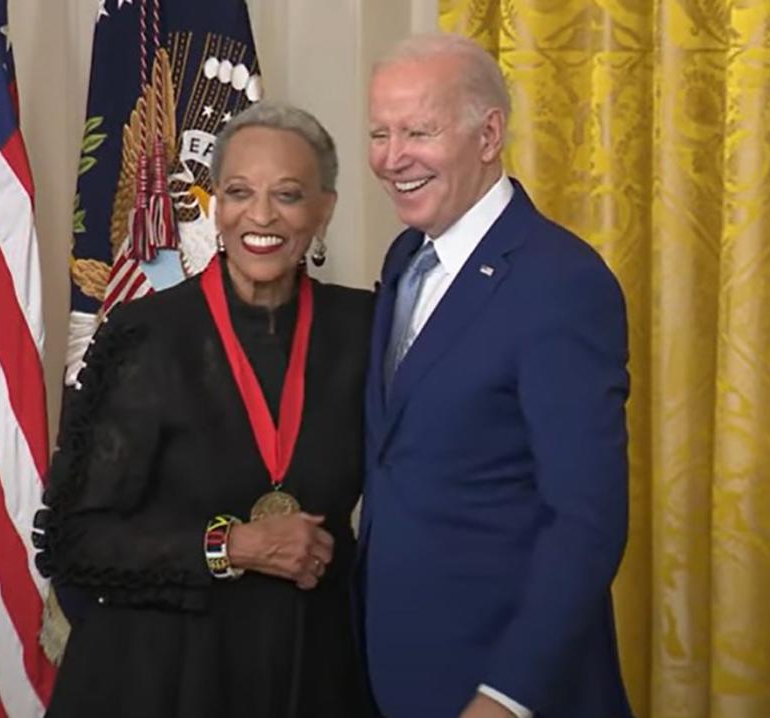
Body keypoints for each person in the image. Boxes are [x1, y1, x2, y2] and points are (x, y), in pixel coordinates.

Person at [32, 101, 374, 717]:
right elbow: (76, 540)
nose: (262, 215)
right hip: (163, 677)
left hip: (311, 671)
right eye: (240, 191)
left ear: (326, 209)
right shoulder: (145, 334)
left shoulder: (365, 329)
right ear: (216, 206)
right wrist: (233, 545)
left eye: (289, 194)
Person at [356, 33, 633, 718]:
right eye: (380, 133)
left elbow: (587, 520)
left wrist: (507, 696)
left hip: (508, 685)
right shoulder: (404, 258)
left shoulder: (560, 281)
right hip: (401, 669)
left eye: (418, 131)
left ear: (489, 135)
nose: (393, 159)